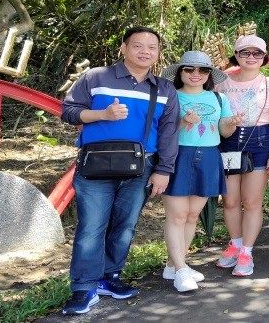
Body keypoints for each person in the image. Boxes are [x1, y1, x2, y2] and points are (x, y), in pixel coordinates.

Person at [60, 26, 180, 315]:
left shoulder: (163, 89)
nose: (145, 51)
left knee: (125, 225)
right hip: (96, 163)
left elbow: (168, 132)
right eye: (138, 45)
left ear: (158, 53)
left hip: (141, 165)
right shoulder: (96, 77)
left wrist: (163, 169)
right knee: (91, 227)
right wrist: (102, 115)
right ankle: (83, 288)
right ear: (123, 47)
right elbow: (68, 111)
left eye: (152, 47)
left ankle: (109, 277)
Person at [159, 51, 236, 292]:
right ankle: (181, 269)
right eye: (189, 69)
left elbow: (224, 132)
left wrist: (232, 124)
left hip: (209, 155)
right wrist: (184, 123)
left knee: (192, 215)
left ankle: (175, 265)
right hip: (178, 155)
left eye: (202, 70)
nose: (196, 74)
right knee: (177, 216)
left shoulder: (219, 98)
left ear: (209, 75)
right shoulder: (170, 96)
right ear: (180, 72)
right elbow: (161, 130)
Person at [215, 35, 269, 276]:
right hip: (229, 140)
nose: (251, 57)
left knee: (252, 201)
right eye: (245, 52)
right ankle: (234, 245)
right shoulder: (222, 82)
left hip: (261, 141)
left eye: (257, 53)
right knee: (231, 200)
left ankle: (247, 251)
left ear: (264, 57)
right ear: (236, 55)